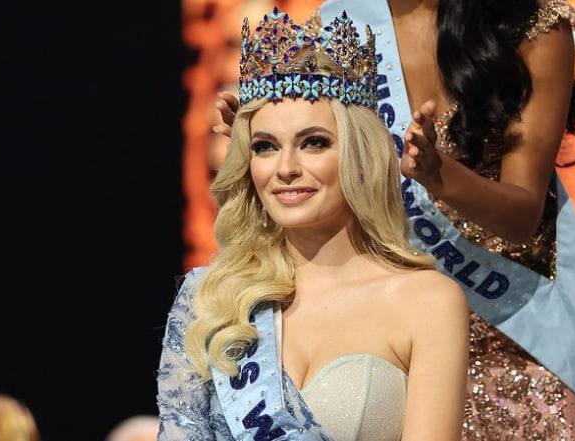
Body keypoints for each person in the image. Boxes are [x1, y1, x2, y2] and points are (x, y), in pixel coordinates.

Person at [214, 1, 575, 439]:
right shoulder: (340, 27)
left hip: (524, 324)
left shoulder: (529, 28)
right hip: (397, 322)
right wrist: (262, 141)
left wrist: (439, 175)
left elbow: (523, 214)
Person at [158, 8, 469, 440]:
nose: (285, 168)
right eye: (265, 147)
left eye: (314, 143)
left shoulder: (427, 302)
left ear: (360, 155)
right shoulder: (213, 298)